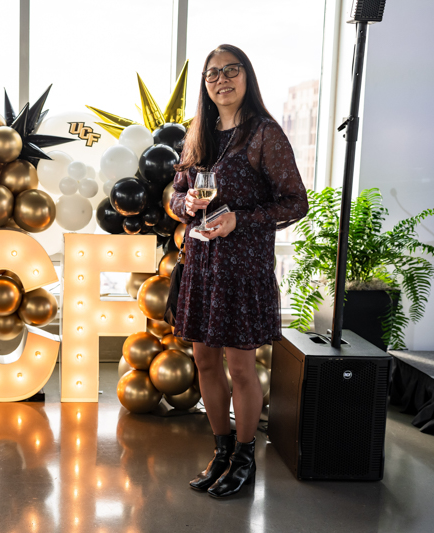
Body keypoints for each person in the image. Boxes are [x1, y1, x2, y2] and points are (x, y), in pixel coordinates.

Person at [169, 44, 309, 498]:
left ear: (246, 77)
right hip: (202, 267)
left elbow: (294, 203)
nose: (222, 79)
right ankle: (221, 451)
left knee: (241, 367)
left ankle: (245, 456)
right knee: (205, 360)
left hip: (243, 269)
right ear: (205, 85)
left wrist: (239, 220)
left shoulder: (264, 133)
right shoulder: (200, 133)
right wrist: (185, 204)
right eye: (213, 74)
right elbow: (174, 197)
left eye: (232, 70)